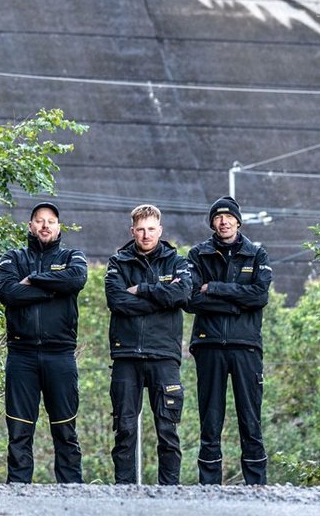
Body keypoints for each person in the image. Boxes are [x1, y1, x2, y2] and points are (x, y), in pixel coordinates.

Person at [0, 200, 89, 483]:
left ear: (58, 227)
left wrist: (34, 279)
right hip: (21, 354)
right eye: (39, 220)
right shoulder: (12, 258)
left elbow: (76, 279)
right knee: (20, 429)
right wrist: (52, 288)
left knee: (64, 428)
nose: (45, 225)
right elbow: (8, 293)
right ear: (30, 226)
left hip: (60, 354)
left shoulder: (74, 256)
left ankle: (71, 488)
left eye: (50, 220)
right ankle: (18, 489)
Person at [185, 196, 272, 485]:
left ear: (238, 220)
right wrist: (235, 304)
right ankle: (209, 485)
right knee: (210, 420)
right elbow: (191, 297)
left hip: (246, 346)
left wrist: (217, 288)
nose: (223, 221)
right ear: (212, 222)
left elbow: (260, 296)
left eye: (228, 217)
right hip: (209, 345)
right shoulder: (198, 254)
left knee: (250, 418)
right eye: (218, 217)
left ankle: (256, 483)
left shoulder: (256, 253)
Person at [105, 203, 192, 485]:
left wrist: (142, 289)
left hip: (164, 356)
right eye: (140, 230)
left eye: (151, 229)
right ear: (133, 231)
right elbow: (117, 302)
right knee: (125, 429)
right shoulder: (118, 262)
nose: (146, 235)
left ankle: (170, 492)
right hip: (126, 355)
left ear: (160, 230)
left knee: (168, 430)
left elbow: (181, 295)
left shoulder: (177, 262)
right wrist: (159, 300)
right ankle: (124, 492)